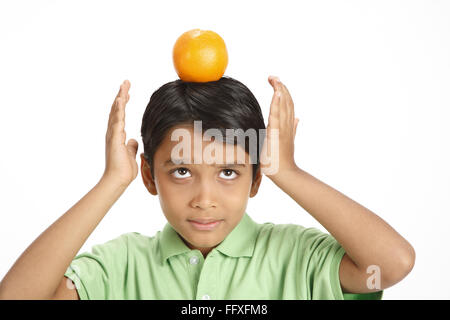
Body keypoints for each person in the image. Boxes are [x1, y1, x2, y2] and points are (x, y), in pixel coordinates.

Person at [0, 76, 415, 300]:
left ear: (256, 178)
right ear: (149, 175)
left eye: (229, 172)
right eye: (181, 172)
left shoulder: (299, 259)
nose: (204, 198)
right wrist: (110, 184)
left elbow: (391, 265)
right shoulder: (120, 267)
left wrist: (288, 172)